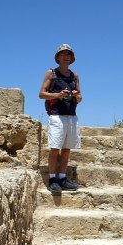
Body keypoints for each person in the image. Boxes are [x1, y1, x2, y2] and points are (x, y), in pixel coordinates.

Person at [39, 44, 82, 192]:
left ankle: (62, 178)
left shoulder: (74, 75)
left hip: (71, 116)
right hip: (56, 115)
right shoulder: (52, 73)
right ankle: (52, 179)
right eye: (63, 54)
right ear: (58, 57)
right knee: (54, 149)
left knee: (66, 150)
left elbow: (80, 97)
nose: (66, 56)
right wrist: (59, 95)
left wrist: (76, 96)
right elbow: (41, 94)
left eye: (69, 54)